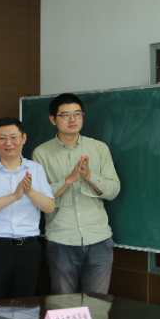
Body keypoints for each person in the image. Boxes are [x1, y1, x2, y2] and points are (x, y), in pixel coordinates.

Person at [32, 93, 121, 294]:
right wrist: (68, 181)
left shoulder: (99, 148)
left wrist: (89, 176)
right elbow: (39, 197)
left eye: (77, 114)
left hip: (98, 238)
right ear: (53, 119)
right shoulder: (41, 153)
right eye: (65, 115)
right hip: (61, 239)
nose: (72, 119)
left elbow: (114, 190)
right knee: (64, 304)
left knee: (97, 303)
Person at [0, 117, 55, 301]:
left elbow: (49, 206)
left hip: (28, 247)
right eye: (2, 138)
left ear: (23, 138)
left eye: (13, 137)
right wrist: (15, 196)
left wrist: (30, 192)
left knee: (25, 302)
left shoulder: (35, 169)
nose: (8, 143)